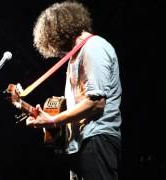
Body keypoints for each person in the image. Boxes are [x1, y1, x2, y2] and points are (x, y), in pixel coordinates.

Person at [26, 1, 122, 180]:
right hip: (82, 142)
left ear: (58, 31)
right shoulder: (76, 56)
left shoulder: (93, 47)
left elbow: (96, 103)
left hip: (97, 138)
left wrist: (53, 121)